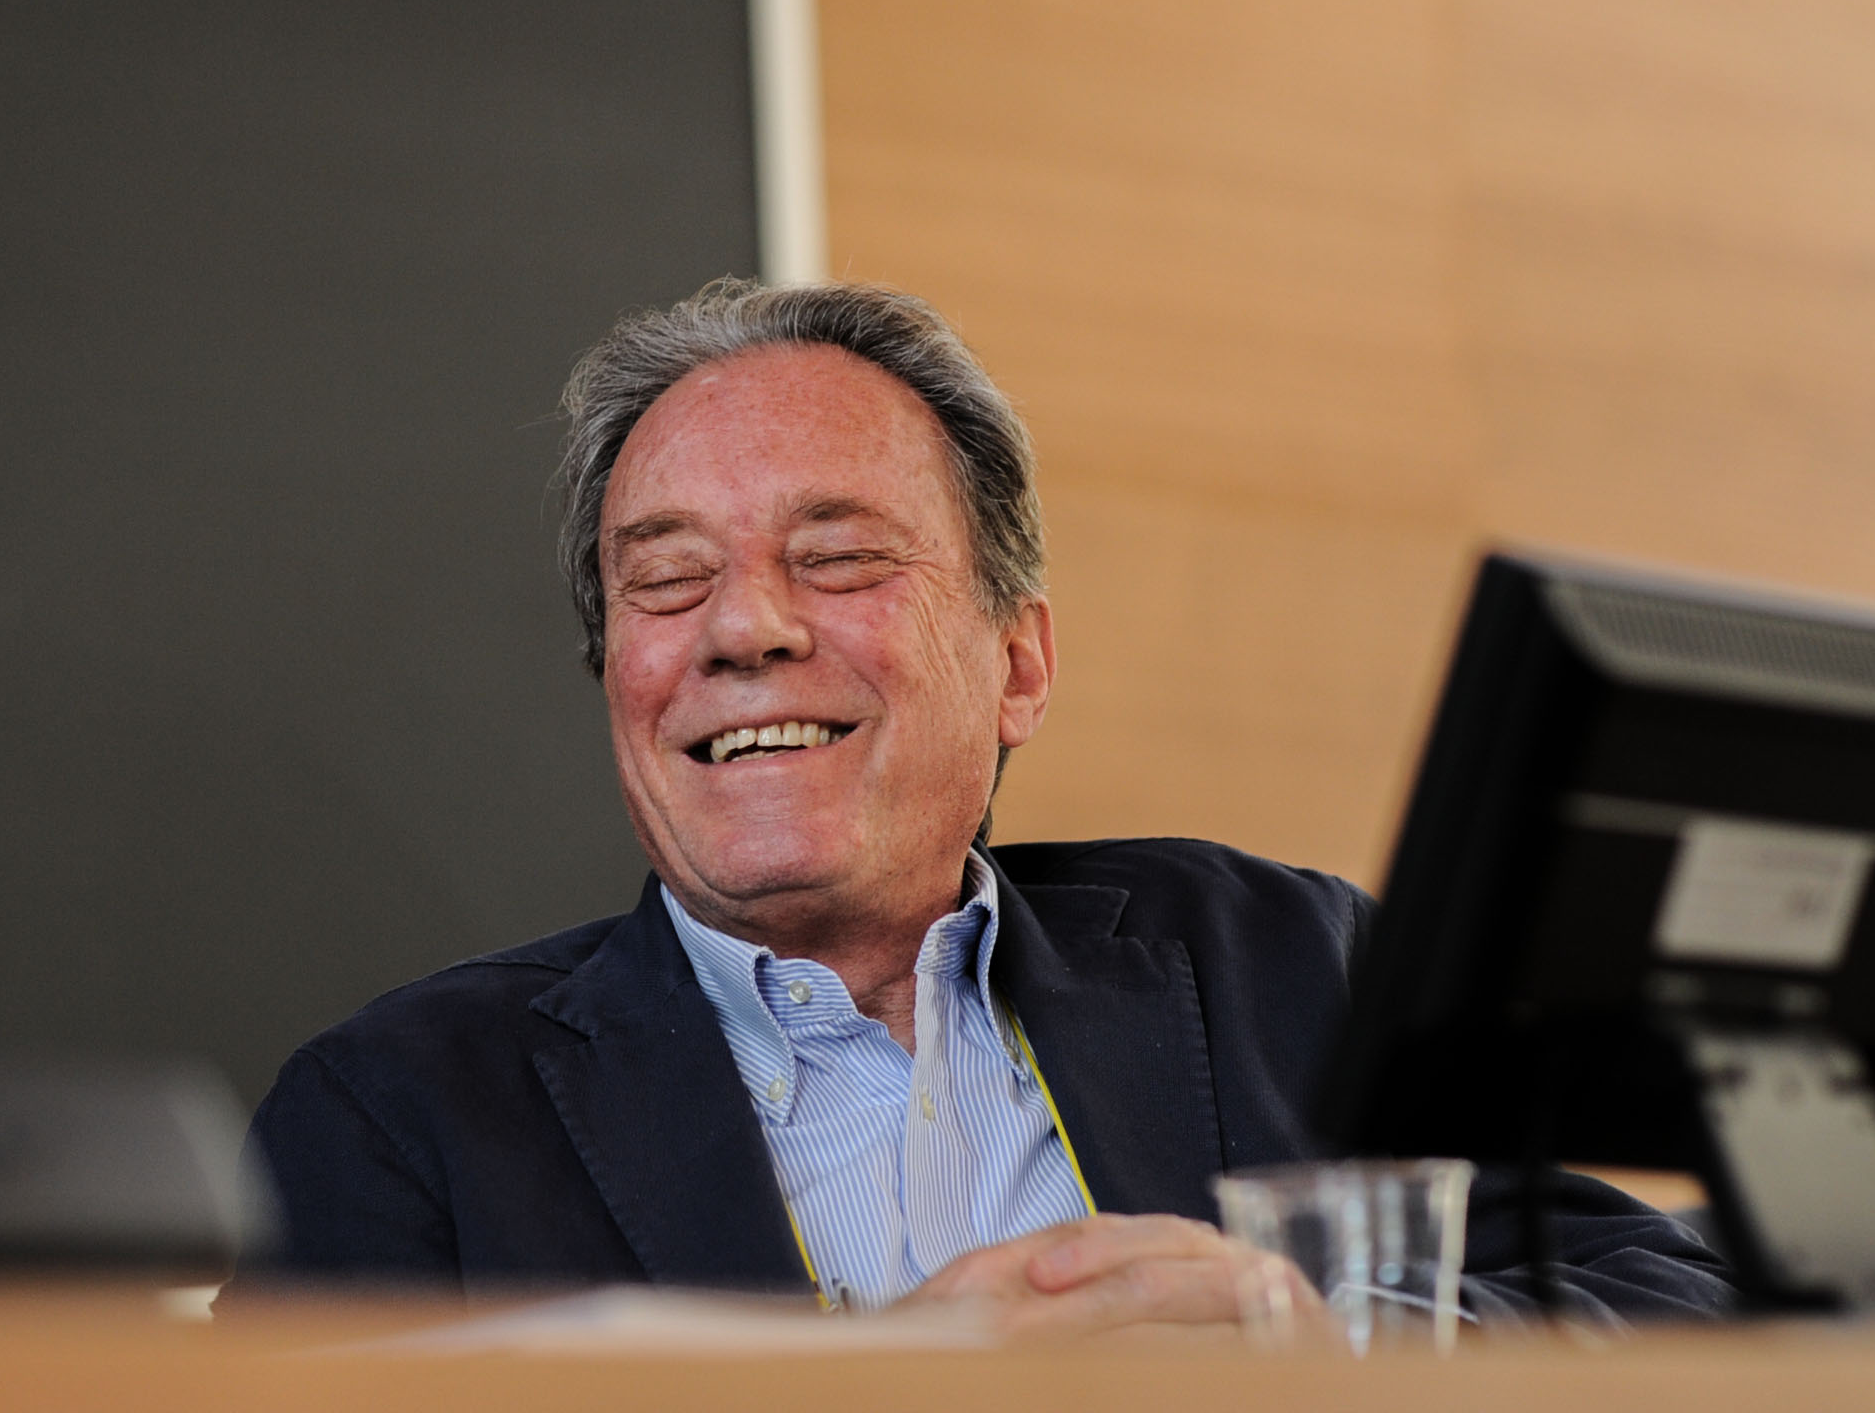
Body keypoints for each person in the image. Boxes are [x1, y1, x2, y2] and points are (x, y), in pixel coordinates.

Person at [234, 280, 1729, 1330]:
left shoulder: (1287, 963)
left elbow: (1687, 1299)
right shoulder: (403, 1112)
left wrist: (1309, 1339)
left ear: (1018, 664)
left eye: (836, 558)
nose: (742, 629)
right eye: (668, 579)